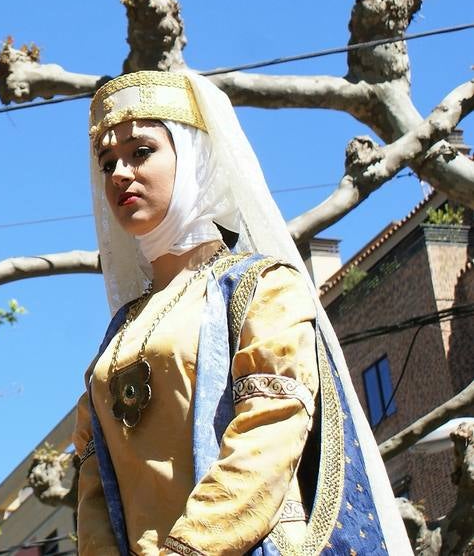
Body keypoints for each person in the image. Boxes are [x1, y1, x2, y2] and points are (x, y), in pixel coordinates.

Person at [72, 70, 411, 555]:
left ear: (191, 157)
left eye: (140, 152)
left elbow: (268, 434)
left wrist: (188, 549)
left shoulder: (261, 287)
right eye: (107, 164)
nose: (120, 173)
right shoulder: (118, 333)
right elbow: (94, 487)